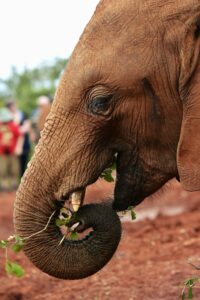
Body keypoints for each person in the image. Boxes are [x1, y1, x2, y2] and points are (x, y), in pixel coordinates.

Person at [0, 107, 20, 191]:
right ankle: (3, 186)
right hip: (2, 152)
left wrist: (18, 147)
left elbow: (19, 136)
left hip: (13, 151)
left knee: (14, 169)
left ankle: (14, 186)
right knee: (2, 170)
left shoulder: (13, 126)